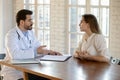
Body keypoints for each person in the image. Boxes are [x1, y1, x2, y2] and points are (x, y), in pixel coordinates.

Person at [2, 9, 61, 80]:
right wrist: (36, 51)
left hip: (29, 70)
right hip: (14, 73)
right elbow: (15, 55)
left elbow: (38, 47)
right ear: (22, 22)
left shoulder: (30, 33)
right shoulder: (11, 35)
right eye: (29, 20)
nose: (32, 22)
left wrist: (50, 52)